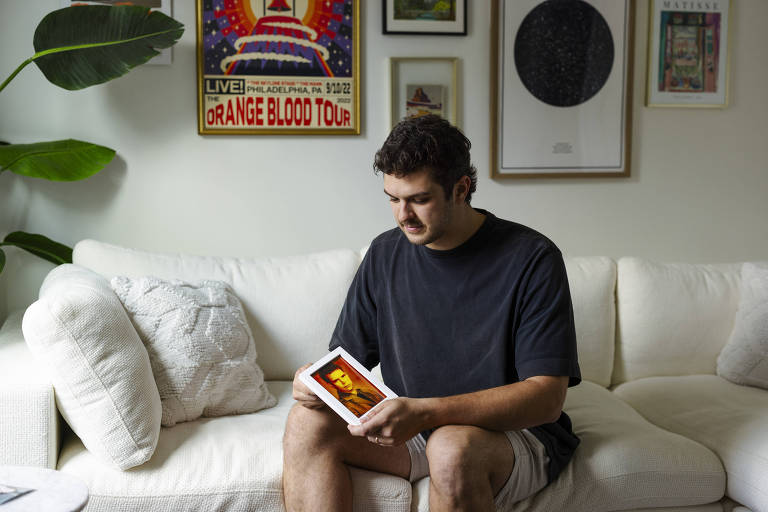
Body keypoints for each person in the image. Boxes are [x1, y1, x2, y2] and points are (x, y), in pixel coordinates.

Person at [282, 114, 580, 511]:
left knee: (451, 448)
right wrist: (314, 382)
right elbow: (345, 364)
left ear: (461, 189)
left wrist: (425, 412)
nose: (403, 215)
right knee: (305, 422)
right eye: (393, 198)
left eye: (419, 199)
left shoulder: (532, 258)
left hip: (511, 434)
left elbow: (546, 398)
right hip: (413, 426)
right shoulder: (384, 254)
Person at [316, 360, 385, 417]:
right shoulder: (345, 406)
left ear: (347, 374)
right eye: (336, 380)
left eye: (343, 376)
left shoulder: (366, 390)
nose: (343, 382)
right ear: (331, 385)